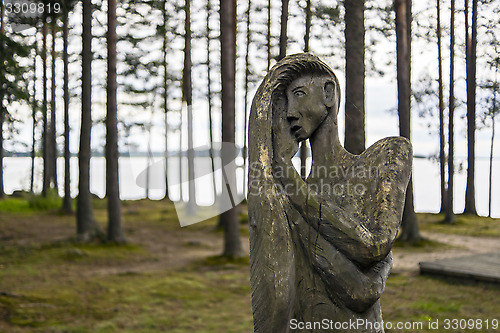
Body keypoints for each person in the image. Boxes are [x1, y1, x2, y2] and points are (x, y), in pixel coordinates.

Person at [248, 53, 412, 333]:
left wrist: (287, 177)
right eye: (285, 102)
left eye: (298, 94)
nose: (289, 112)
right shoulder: (286, 198)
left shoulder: (386, 155)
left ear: (328, 93)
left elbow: (372, 254)